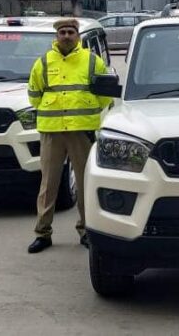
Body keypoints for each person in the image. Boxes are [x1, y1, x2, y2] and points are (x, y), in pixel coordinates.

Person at [26, 18, 111, 253]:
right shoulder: (43, 63)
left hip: (81, 132)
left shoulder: (92, 62)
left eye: (70, 32)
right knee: (48, 184)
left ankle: (85, 230)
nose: (66, 36)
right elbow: (33, 95)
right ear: (56, 36)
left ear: (78, 36)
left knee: (85, 184)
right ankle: (43, 233)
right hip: (52, 132)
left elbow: (105, 96)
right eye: (62, 32)